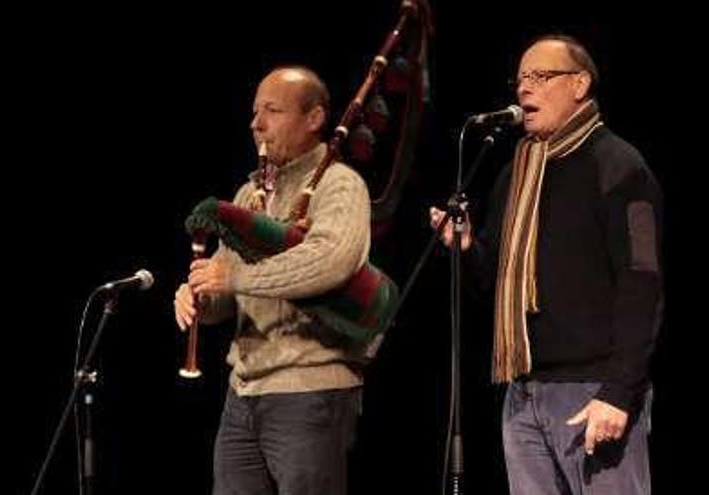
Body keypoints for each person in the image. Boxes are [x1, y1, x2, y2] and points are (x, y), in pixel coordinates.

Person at [429, 35, 663, 494]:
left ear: (580, 84)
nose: (523, 89)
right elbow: (491, 281)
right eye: (520, 79)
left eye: (540, 76)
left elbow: (643, 284)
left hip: (593, 392)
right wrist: (467, 247)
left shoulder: (619, 165)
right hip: (523, 394)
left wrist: (619, 392)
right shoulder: (514, 173)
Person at [173, 66, 374, 495]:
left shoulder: (340, 185)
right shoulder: (249, 195)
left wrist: (233, 275)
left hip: (310, 391)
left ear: (314, 119)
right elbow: (227, 294)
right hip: (242, 394)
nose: (256, 123)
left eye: (272, 110)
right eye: (254, 111)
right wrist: (199, 297)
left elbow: (327, 264)